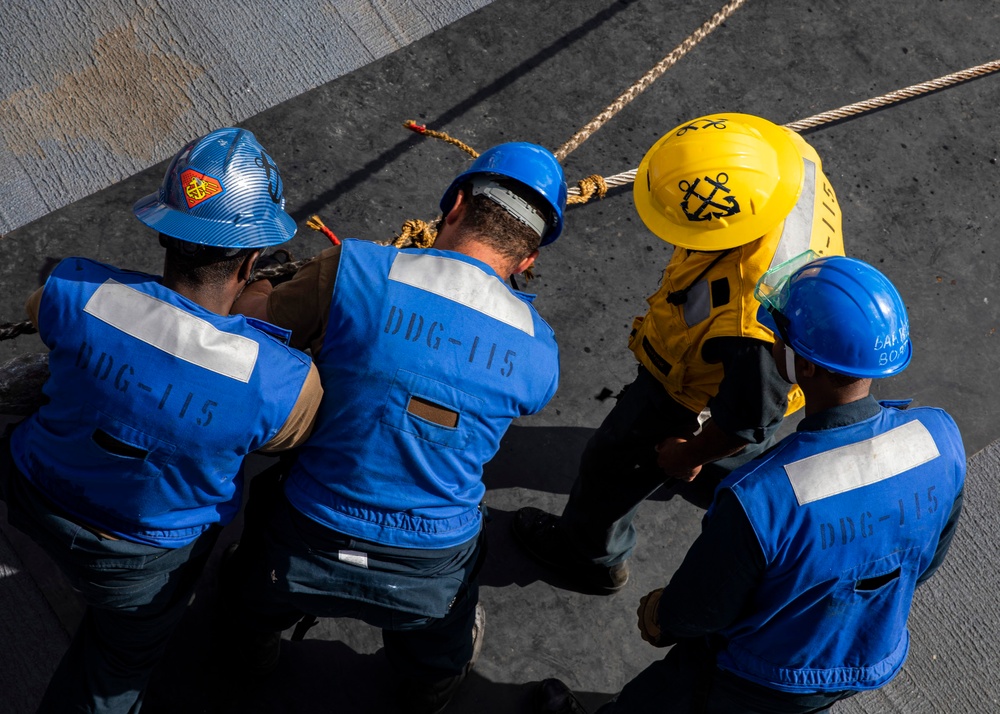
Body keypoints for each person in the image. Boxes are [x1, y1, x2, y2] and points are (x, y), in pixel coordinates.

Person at [221, 142, 567, 713]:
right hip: (429, 561)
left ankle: (250, 642)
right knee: (441, 638)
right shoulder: (540, 352)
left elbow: (252, 325)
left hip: (310, 525)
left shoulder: (356, 268)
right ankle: (429, 682)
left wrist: (257, 287)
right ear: (527, 259)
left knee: (251, 584)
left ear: (454, 205)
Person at [535, 255, 966, 713]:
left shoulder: (762, 498)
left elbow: (701, 610)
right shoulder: (940, 437)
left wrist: (663, 617)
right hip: (866, 658)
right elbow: (926, 563)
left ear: (810, 367)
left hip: (754, 675)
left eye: (777, 330)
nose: (771, 337)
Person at [0, 127, 323, 714]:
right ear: (252, 259)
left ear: (167, 233)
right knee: (115, 667)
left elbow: (43, 315)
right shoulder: (283, 379)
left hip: (29, 489)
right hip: (142, 556)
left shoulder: (74, 291)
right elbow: (291, 434)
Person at [513, 112, 845, 594]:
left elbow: (750, 412)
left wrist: (691, 451)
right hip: (738, 372)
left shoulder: (752, 318)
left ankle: (589, 555)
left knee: (611, 466)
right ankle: (715, 478)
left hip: (688, 397)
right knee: (731, 459)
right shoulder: (788, 157)